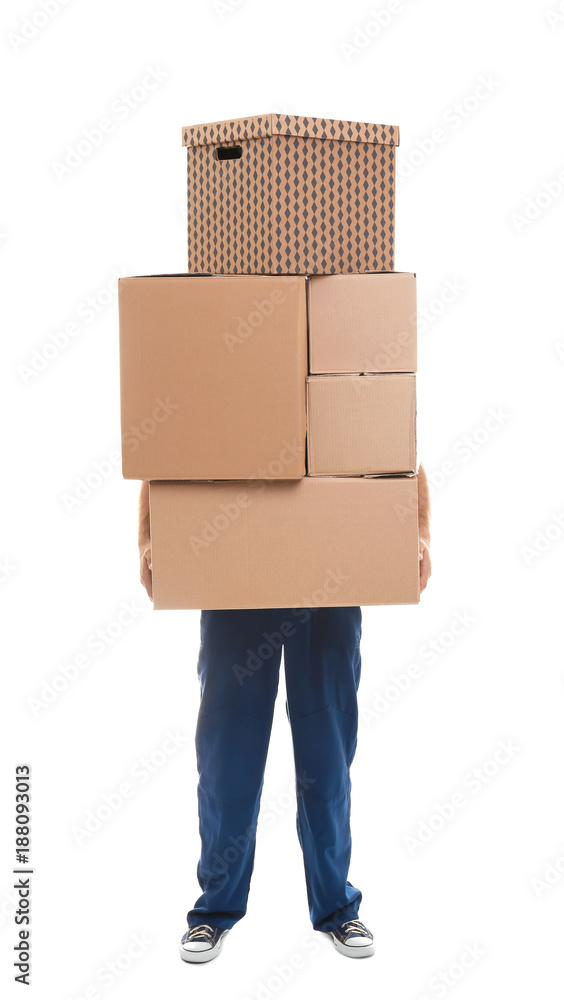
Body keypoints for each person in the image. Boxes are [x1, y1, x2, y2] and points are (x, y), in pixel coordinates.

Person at [137, 467, 431, 963]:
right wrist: (150, 535)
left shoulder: (346, 384)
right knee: (227, 752)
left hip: (331, 566)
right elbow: (176, 448)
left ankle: (337, 906)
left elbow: (396, 442)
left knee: (328, 749)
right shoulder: (224, 386)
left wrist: (418, 531)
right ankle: (214, 910)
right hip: (236, 562)